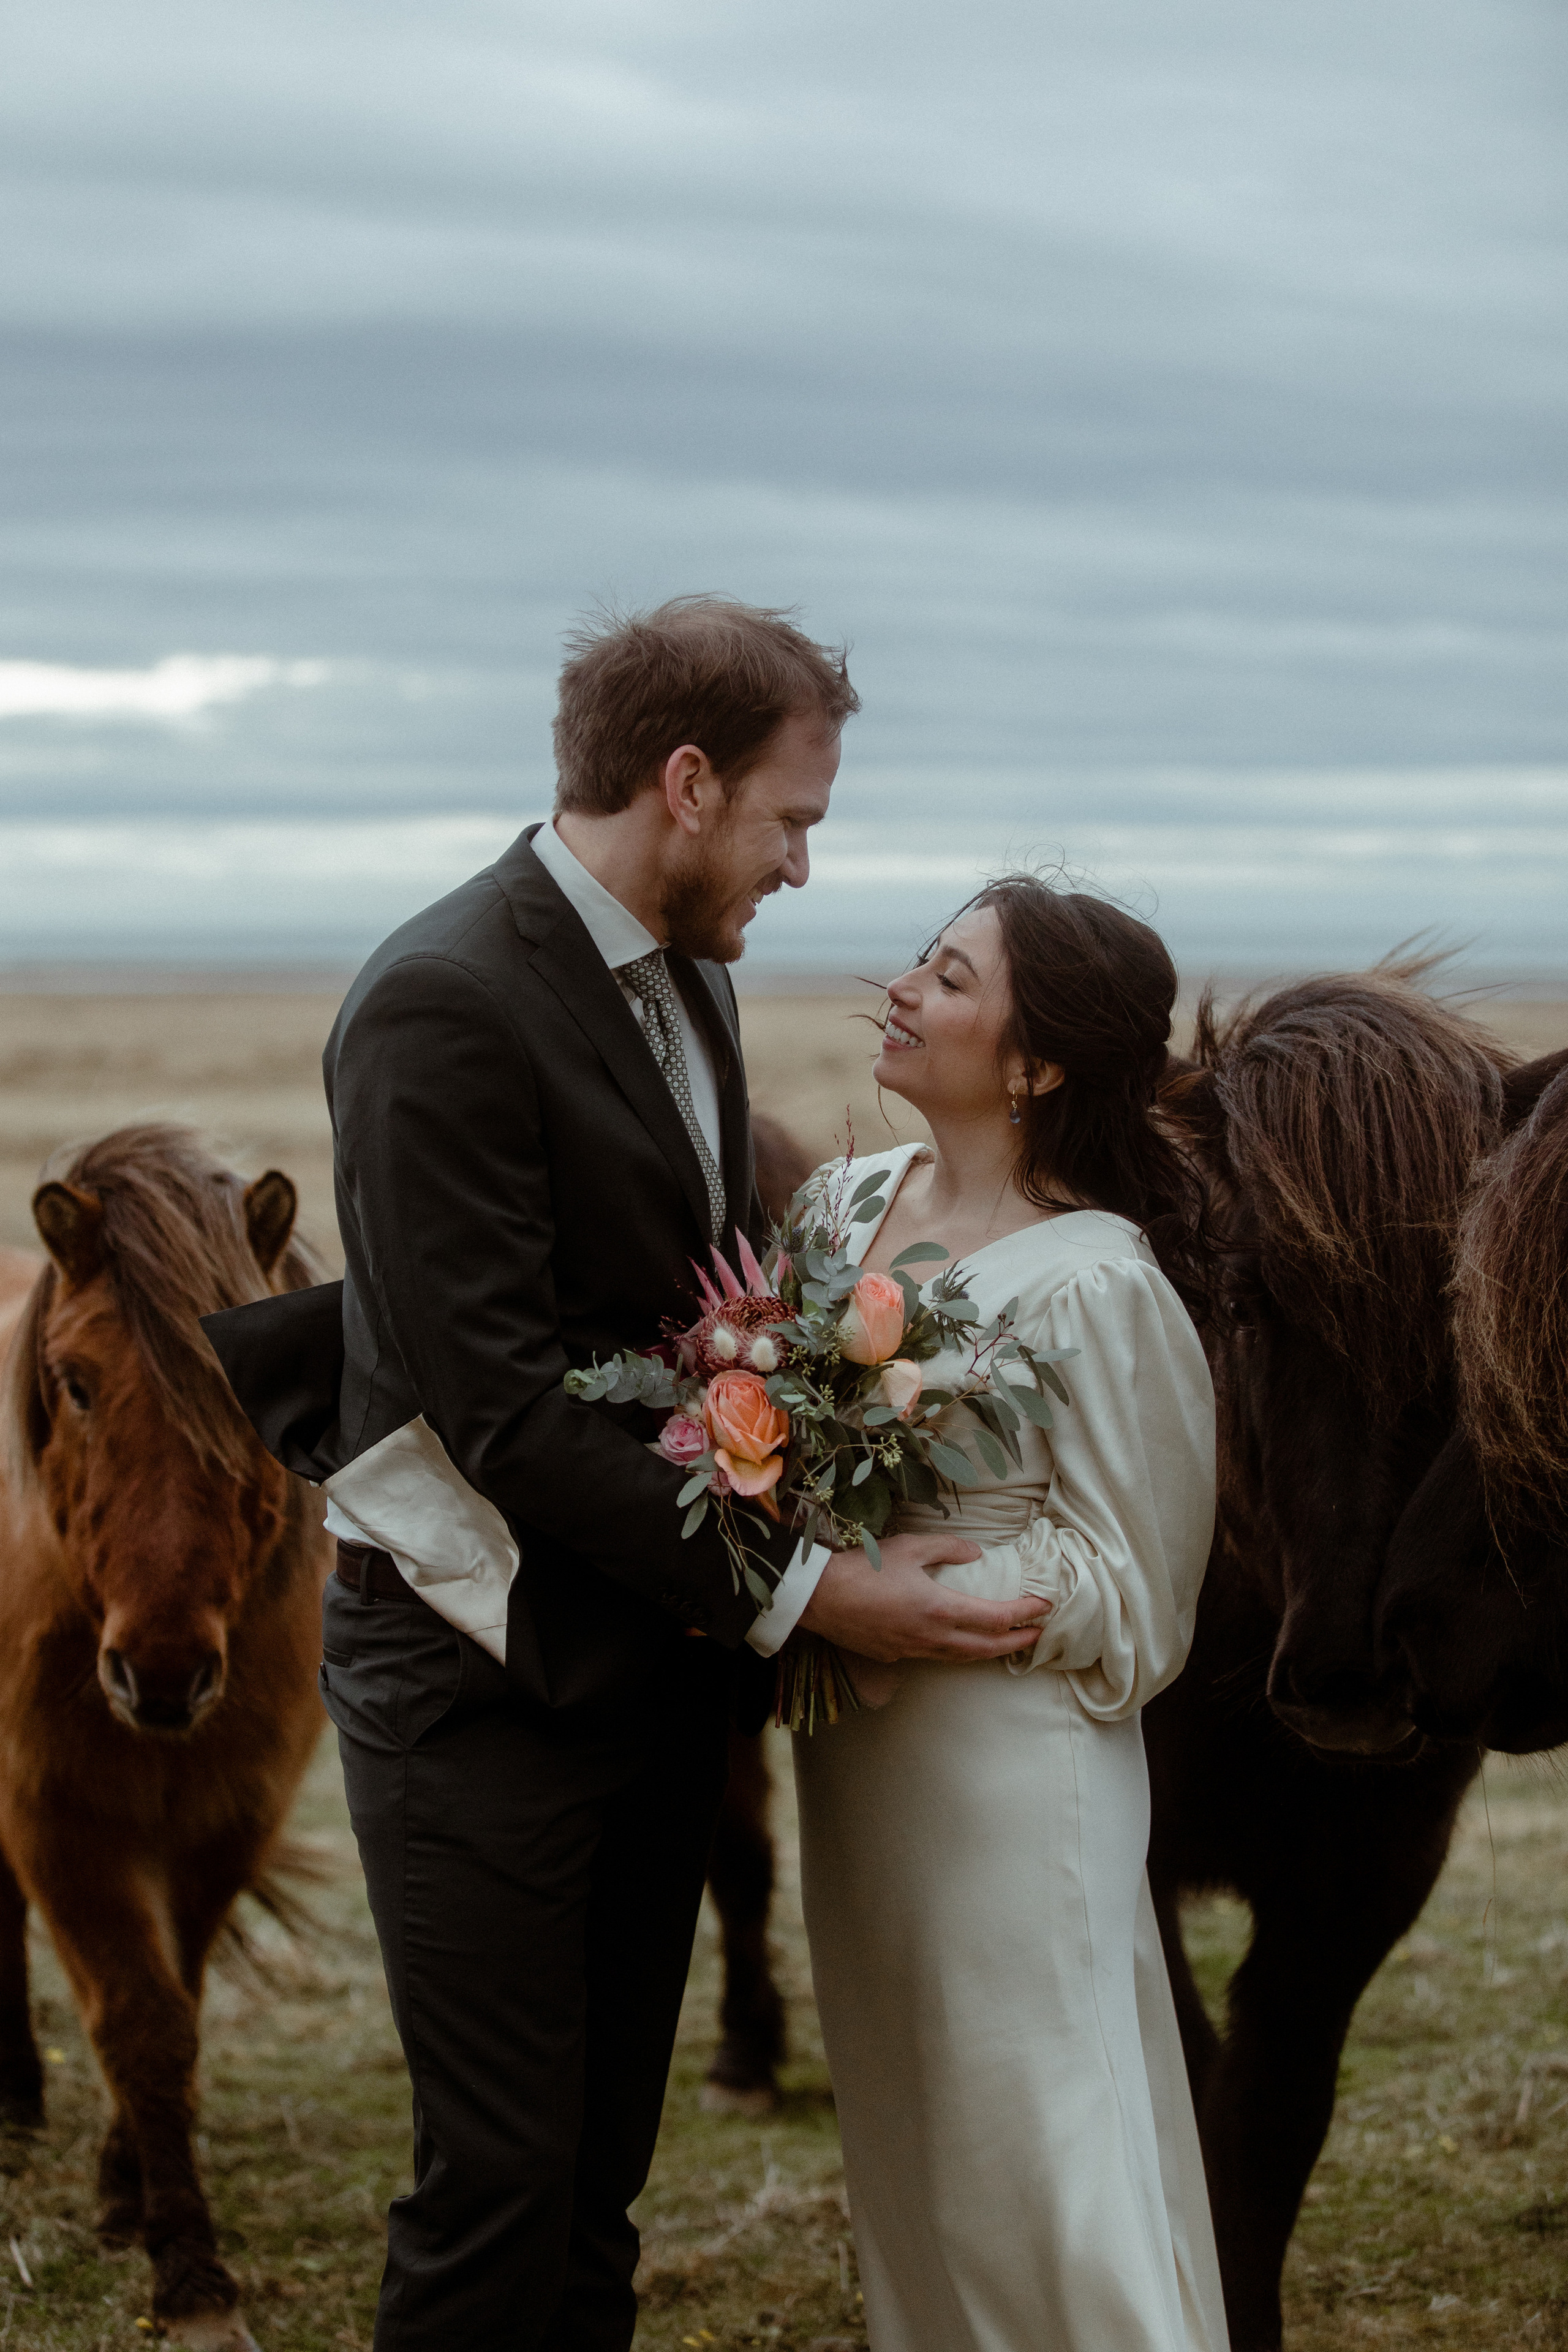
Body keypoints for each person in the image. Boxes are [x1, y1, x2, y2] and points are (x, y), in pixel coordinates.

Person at [203, 597, 1047, 2352]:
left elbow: (680, 1302)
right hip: (475, 1684)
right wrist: (818, 1594)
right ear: (685, 782)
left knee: (597, 2185)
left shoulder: (692, 975)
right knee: (496, 2197)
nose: (805, 866)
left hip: (649, 1669)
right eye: (792, 817)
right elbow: (500, 1405)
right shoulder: (440, 1001)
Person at [792, 878, 1230, 2351]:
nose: (903, 988)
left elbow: (1141, 1592)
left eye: (952, 978)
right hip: (855, 1753)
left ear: (1036, 1065)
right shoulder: (835, 1210)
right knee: (909, 2137)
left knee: (1038, 2145)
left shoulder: (1101, 1284)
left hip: (1009, 1773)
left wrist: (932, 1594)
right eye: (923, 958)